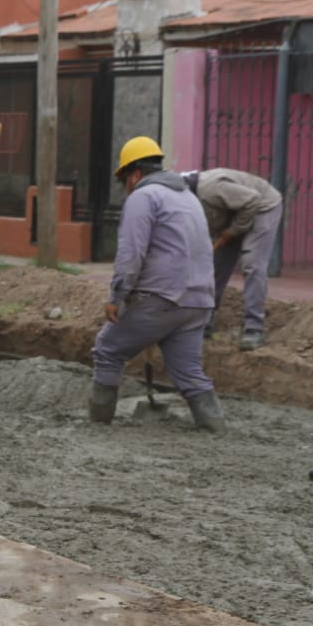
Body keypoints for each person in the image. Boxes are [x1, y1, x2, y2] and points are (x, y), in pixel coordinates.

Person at [91, 136, 225, 432]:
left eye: (124, 180)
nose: (125, 188)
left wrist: (117, 296)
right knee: (189, 372)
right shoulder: (189, 198)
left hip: (161, 297)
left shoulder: (143, 196)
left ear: (134, 174)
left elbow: (131, 254)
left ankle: (97, 425)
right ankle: (215, 428)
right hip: (199, 300)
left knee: (108, 349)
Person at [182, 168, 283, 350]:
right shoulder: (184, 202)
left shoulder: (211, 189)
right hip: (235, 212)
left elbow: (252, 200)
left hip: (262, 206)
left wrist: (234, 231)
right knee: (215, 265)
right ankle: (204, 321)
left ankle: (254, 328)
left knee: (252, 264)